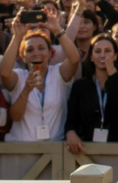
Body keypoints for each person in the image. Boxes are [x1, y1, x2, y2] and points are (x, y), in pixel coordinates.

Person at [1, 13, 80, 141]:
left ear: (50, 53)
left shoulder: (58, 74)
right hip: (21, 149)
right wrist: (17, 37)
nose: (36, 53)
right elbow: (4, 73)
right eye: (30, 50)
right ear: (23, 57)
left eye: (41, 48)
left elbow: (74, 60)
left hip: (55, 149)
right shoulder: (19, 76)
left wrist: (57, 30)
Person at [65, 33, 118, 152]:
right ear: (91, 57)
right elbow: (71, 120)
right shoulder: (80, 86)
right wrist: (70, 132)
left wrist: (111, 72)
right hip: (86, 149)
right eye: (98, 51)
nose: (103, 55)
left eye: (108, 51)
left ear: (115, 56)